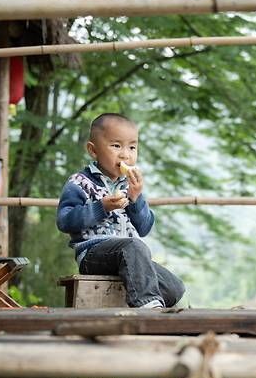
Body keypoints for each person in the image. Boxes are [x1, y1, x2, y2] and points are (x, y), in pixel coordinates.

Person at [56, 113, 185, 308]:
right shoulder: (80, 182)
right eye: (116, 146)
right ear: (93, 150)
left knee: (174, 287)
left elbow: (144, 228)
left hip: (130, 257)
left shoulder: (129, 186)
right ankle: (146, 308)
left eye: (132, 147)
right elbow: (64, 221)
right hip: (93, 255)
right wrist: (102, 207)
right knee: (133, 246)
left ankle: (141, 300)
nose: (125, 154)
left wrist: (135, 198)